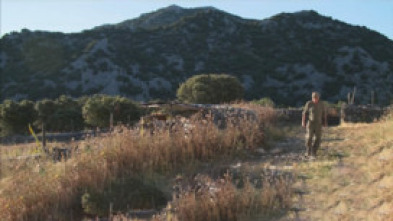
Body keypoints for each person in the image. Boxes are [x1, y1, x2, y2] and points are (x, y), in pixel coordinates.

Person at [302, 92, 327, 159]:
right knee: (309, 137)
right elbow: (304, 113)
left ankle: (314, 151)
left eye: (317, 98)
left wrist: (325, 122)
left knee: (318, 138)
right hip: (310, 123)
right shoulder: (309, 103)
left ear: (318, 98)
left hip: (318, 123)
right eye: (314, 98)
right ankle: (308, 151)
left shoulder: (321, 104)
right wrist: (303, 122)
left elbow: (324, 113)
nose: (316, 99)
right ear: (312, 98)